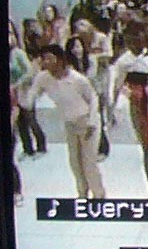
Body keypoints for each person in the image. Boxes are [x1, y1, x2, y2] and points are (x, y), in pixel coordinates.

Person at [25, 45, 105, 199]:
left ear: (60, 60)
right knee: (75, 162)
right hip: (69, 123)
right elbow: (32, 93)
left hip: (87, 122)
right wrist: (28, 102)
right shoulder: (43, 78)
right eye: (44, 59)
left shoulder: (77, 79)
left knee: (89, 163)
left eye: (49, 58)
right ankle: (82, 194)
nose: (45, 62)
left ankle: (99, 196)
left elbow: (93, 99)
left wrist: (91, 122)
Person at [111, 19, 148, 142]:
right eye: (129, 41)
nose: (133, 44)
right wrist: (113, 108)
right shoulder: (123, 62)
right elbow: (118, 84)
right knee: (143, 136)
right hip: (136, 103)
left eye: (136, 39)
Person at [65, 37, 111, 158]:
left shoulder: (90, 60)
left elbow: (90, 77)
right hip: (78, 98)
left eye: (79, 46)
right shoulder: (68, 65)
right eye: (73, 47)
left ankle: (103, 149)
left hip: (94, 94)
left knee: (98, 121)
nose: (76, 50)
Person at [10, 20, 47, 158]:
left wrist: (19, 83)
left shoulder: (18, 53)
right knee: (20, 123)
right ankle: (27, 148)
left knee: (31, 118)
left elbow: (29, 72)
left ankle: (41, 145)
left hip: (24, 89)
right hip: (12, 92)